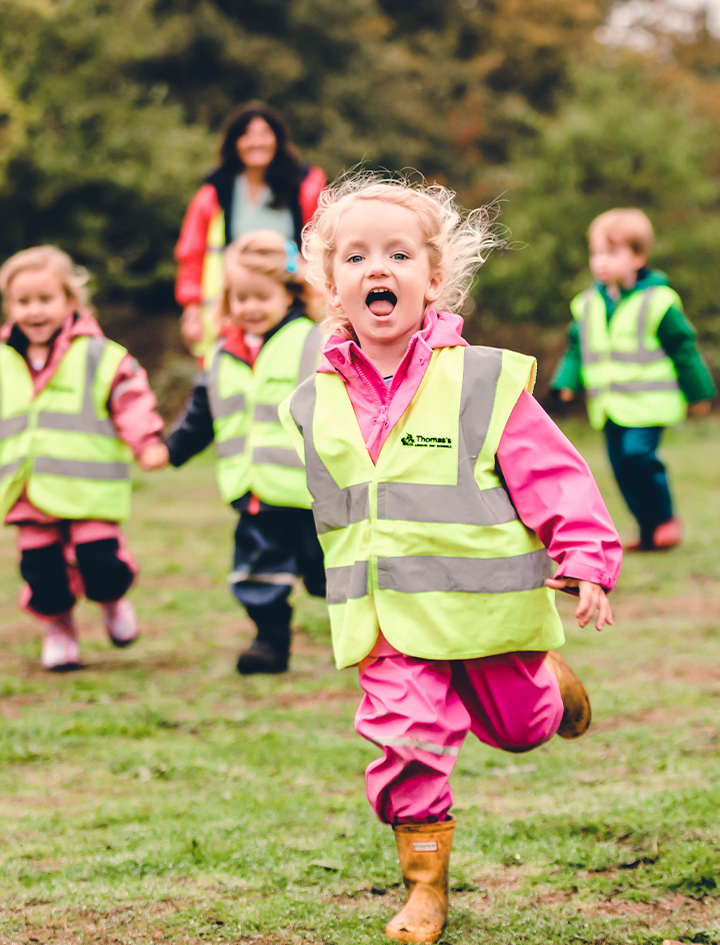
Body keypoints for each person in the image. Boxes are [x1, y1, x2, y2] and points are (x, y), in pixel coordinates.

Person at [279, 174, 622, 944]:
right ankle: (424, 889)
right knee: (406, 738)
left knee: (519, 727)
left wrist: (587, 556)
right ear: (331, 286)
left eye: (398, 253)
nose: (378, 268)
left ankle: (551, 690)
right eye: (357, 255)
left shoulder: (482, 379)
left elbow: (555, 474)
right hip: (389, 619)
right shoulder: (314, 398)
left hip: (489, 614)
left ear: (433, 279)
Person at [0, 246, 168, 671]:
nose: (34, 310)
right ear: (10, 306)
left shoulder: (101, 356)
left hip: (88, 488)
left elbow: (130, 399)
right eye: (23, 301)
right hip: (26, 488)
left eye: (45, 299)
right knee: (41, 570)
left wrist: (146, 441)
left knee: (101, 562)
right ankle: (59, 627)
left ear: (70, 302)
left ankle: (112, 602)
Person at [166, 231, 326, 675]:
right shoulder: (220, 355)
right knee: (258, 575)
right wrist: (171, 449)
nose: (250, 307)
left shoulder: (313, 341)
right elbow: (202, 412)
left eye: (261, 296)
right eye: (240, 298)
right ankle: (269, 643)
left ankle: (368, 635)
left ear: (288, 293)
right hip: (254, 489)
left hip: (312, 493)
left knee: (326, 574)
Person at [551, 209, 715, 551]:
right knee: (621, 469)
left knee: (638, 456)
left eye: (612, 253)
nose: (601, 262)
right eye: (596, 253)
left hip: (648, 405)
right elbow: (577, 350)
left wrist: (700, 394)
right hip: (609, 406)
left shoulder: (659, 301)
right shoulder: (587, 304)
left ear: (638, 256)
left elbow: (683, 349)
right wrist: (566, 382)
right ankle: (648, 530)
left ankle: (666, 518)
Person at [175, 101, 325, 358]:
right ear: (235, 142)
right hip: (238, 307)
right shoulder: (215, 193)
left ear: (278, 140)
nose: (256, 142)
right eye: (247, 135)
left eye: (264, 134)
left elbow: (326, 244)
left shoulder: (305, 186)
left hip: (294, 303)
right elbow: (192, 255)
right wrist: (192, 312)